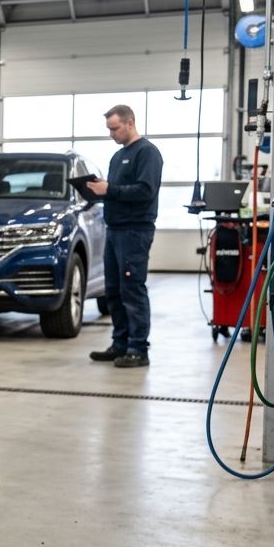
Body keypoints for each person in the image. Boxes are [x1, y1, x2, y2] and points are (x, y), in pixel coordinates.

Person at [86, 104, 163, 368]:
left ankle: (138, 349)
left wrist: (110, 189)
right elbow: (116, 191)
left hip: (135, 231)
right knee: (114, 291)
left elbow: (145, 191)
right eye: (109, 129)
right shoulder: (118, 157)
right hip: (115, 229)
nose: (111, 134)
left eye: (115, 128)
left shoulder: (147, 152)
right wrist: (97, 190)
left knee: (132, 288)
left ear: (130, 123)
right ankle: (120, 344)